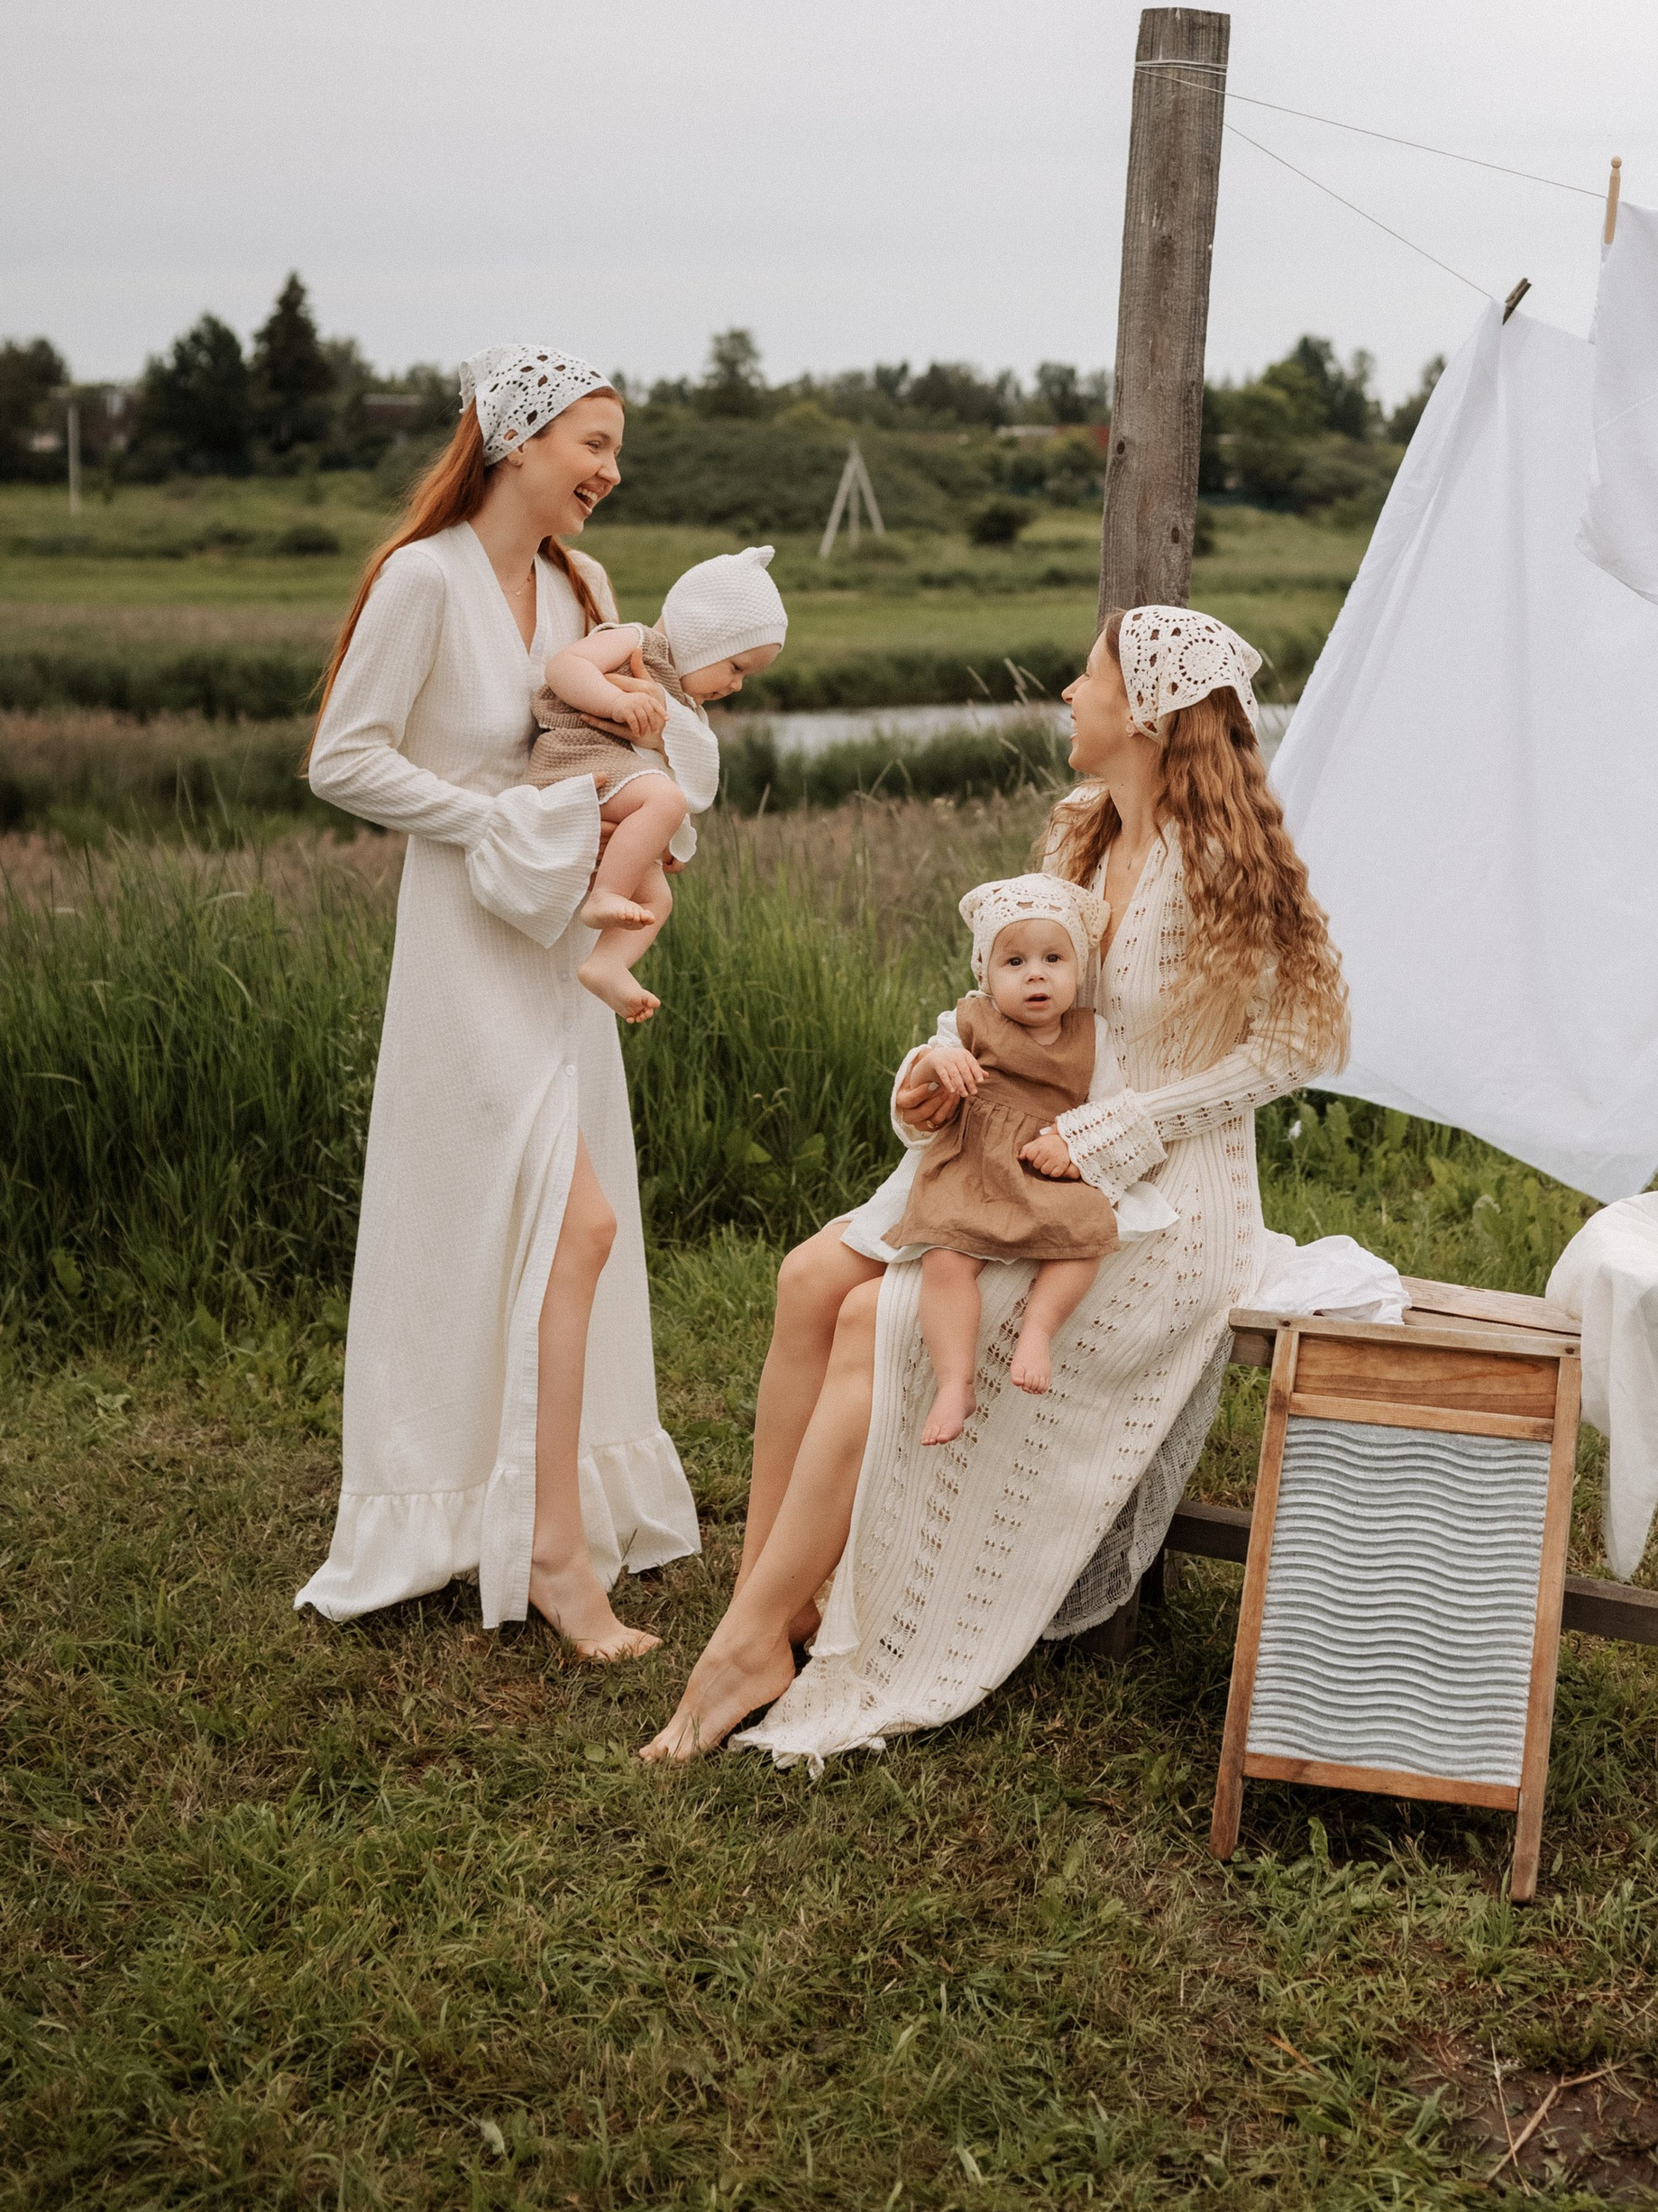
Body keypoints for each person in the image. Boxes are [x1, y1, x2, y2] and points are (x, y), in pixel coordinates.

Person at [639, 601, 1349, 1763]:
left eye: (1088, 677)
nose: (1070, 695)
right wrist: (932, 1076)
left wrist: (1120, 1132)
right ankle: (780, 1608)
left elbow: (1291, 1051)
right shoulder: (1081, 830)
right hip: (1020, 1152)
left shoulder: (1219, 862)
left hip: (1166, 1198)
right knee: (810, 1275)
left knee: (885, 1311)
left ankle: (752, 1641)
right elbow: (1019, 1005)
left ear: (1151, 713)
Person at [298, 344, 699, 1662]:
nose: (611, 470)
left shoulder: (583, 584)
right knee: (550, 1224)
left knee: (574, 1231)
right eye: (592, 442)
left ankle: (542, 1515)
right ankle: (542, 1553)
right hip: (469, 939)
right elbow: (344, 757)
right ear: (516, 439)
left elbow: (604, 740)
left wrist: (668, 726)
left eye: (617, 445)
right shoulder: (424, 580)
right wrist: (498, 827)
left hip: (562, 938)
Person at [875, 873, 1135, 1440]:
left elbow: (1112, 1109)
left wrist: (1071, 1139)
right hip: (975, 1166)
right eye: (1013, 962)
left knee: (1083, 1238)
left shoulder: (1096, 1037)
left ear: (1078, 970)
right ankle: (954, 1383)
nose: (1035, 973)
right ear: (987, 975)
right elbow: (927, 1059)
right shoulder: (970, 1020)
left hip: (1044, 1161)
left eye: (1053, 959)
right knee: (945, 1259)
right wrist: (935, 1065)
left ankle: (1038, 1331)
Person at [524, 544, 788, 1020]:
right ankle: (605, 895)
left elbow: (689, 774)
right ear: (703, 634)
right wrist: (613, 701)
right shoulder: (635, 642)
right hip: (575, 760)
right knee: (664, 799)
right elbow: (565, 667)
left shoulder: (687, 707)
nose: (737, 686)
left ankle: (606, 963)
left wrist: (662, 838)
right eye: (735, 667)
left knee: (657, 897)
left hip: (618, 785)